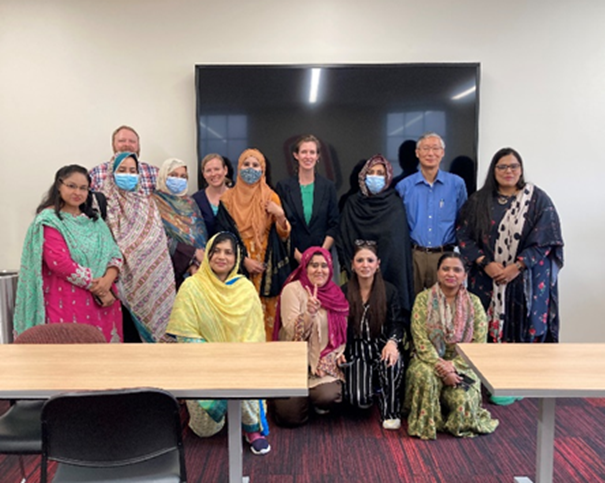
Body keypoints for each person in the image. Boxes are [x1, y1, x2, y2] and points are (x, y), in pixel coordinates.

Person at [457, 148, 564, 402]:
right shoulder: (478, 201)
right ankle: (490, 381)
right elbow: (463, 235)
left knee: (523, 325)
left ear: (521, 169)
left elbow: (548, 238)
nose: (509, 171)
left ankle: (519, 381)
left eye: (513, 166)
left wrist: (517, 266)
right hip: (486, 279)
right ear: (493, 170)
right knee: (485, 327)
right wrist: (485, 263)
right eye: (502, 167)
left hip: (524, 278)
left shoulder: (538, 200)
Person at [166, 232, 270, 455]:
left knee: (242, 377)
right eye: (216, 251)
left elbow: (254, 335)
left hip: (239, 363)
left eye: (228, 252)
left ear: (236, 258)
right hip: (202, 364)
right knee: (205, 430)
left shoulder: (245, 289)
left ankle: (250, 428)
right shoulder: (192, 287)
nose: (222, 257)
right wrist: (216, 359)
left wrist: (233, 360)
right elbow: (185, 336)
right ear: (209, 254)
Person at [13, 165, 123, 342]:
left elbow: (115, 254)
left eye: (83, 188)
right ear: (59, 186)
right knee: (68, 355)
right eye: (71, 186)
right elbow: (60, 263)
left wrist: (108, 280)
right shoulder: (50, 220)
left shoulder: (95, 221)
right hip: (67, 301)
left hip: (104, 302)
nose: (77, 192)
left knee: (103, 360)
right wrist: (100, 288)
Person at [404, 252, 499, 440]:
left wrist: (453, 366)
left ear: (464, 275)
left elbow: (478, 344)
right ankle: (426, 425)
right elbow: (420, 339)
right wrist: (443, 369)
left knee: (463, 401)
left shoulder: (475, 303)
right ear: (438, 272)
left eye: (457, 270)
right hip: (428, 360)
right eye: (445, 269)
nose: (450, 274)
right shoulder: (423, 299)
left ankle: (452, 416)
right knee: (425, 377)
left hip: (464, 364)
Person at [98, 151, 175, 342]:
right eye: (122, 170)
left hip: (156, 283)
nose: (128, 174)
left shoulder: (147, 202)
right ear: (112, 173)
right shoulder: (103, 204)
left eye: (133, 170)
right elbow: (104, 244)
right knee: (130, 341)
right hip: (121, 285)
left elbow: (159, 240)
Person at [220, 148, 291, 340]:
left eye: (255, 165)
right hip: (236, 262)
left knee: (267, 313)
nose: (250, 169)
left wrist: (280, 215)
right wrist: (243, 260)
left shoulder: (271, 197)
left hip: (266, 263)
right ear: (238, 167)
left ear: (263, 170)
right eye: (246, 164)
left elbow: (284, 236)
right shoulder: (227, 199)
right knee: (239, 311)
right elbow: (223, 235)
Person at [272, 247, 349, 426]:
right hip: (293, 363)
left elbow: (340, 335)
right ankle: (303, 401)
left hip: (322, 364)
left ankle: (313, 398)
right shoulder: (292, 290)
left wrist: (328, 359)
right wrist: (308, 314)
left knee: (328, 396)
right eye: (314, 265)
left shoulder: (336, 294)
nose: (319, 270)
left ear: (330, 269)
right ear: (305, 267)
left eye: (324, 265)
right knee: (288, 418)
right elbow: (291, 332)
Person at [338, 154, 414, 316]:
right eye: (371, 172)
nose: (375, 177)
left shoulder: (395, 204)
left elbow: (398, 245)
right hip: (358, 271)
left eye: (380, 173)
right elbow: (344, 238)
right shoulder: (352, 203)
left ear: (387, 177)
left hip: (391, 273)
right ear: (363, 175)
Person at [341, 241, 405, 430]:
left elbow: (397, 323)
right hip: (356, 352)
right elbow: (337, 326)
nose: (365, 264)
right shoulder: (343, 291)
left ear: (378, 264)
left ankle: (390, 412)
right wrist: (339, 350)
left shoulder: (390, 291)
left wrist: (393, 343)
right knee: (358, 399)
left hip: (382, 348)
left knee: (392, 362)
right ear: (352, 264)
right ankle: (370, 388)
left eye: (370, 260)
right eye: (360, 260)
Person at [395, 132, 467, 295]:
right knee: (413, 305)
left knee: (444, 305)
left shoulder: (456, 184)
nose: (430, 153)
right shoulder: (403, 186)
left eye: (435, 148)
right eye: (425, 148)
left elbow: (464, 220)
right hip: (414, 256)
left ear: (442, 153)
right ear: (417, 153)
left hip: (445, 255)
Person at [276, 135, 339, 267]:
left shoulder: (328, 187)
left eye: (312, 152)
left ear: (318, 156)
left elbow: (334, 224)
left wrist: (320, 254)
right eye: (304, 152)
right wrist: (298, 255)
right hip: (293, 259)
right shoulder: (283, 187)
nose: (308, 156)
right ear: (296, 155)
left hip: (321, 261)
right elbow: (281, 225)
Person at [153, 158, 207, 289]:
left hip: (198, 271)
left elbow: (200, 234)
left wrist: (197, 263)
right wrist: (191, 255)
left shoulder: (190, 203)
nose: (178, 179)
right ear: (163, 176)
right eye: (173, 175)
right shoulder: (153, 202)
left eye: (183, 176)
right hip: (168, 272)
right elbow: (155, 237)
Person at [90, 125, 159, 195]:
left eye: (132, 141)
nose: (127, 144)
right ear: (113, 144)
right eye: (122, 141)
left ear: (138, 146)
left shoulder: (154, 173)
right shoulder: (95, 174)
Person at [192, 153, 231, 238]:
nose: (213, 174)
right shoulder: (195, 200)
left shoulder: (238, 197)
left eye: (217, 169)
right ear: (204, 174)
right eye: (208, 170)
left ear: (225, 170)